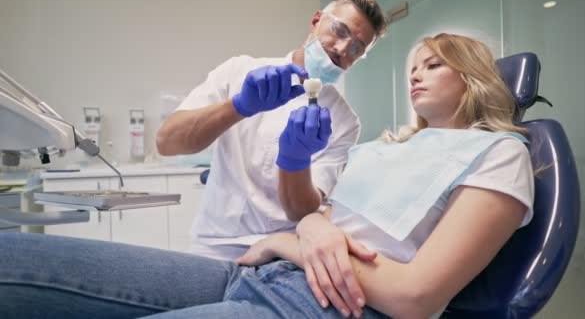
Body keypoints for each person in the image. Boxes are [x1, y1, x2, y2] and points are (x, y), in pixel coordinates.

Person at [0, 33, 534, 319]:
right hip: (257, 274)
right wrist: (308, 229)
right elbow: (323, 216)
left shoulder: (499, 153)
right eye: (412, 65)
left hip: (321, 304)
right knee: (14, 257)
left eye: (433, 64)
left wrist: (294, 241)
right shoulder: (393, 146)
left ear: (473, 76)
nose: (415, 73)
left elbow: (417, 298)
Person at [155, 0, 387, 261]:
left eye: (356, 49)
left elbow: (300, 213)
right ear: (316, 20)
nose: (341, 49)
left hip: (282, 256)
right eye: (339, 30)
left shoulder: (345, 122)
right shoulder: (239, 71)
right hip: (212, 247)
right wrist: (239, 106)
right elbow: (167, 143)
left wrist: (295, 160)